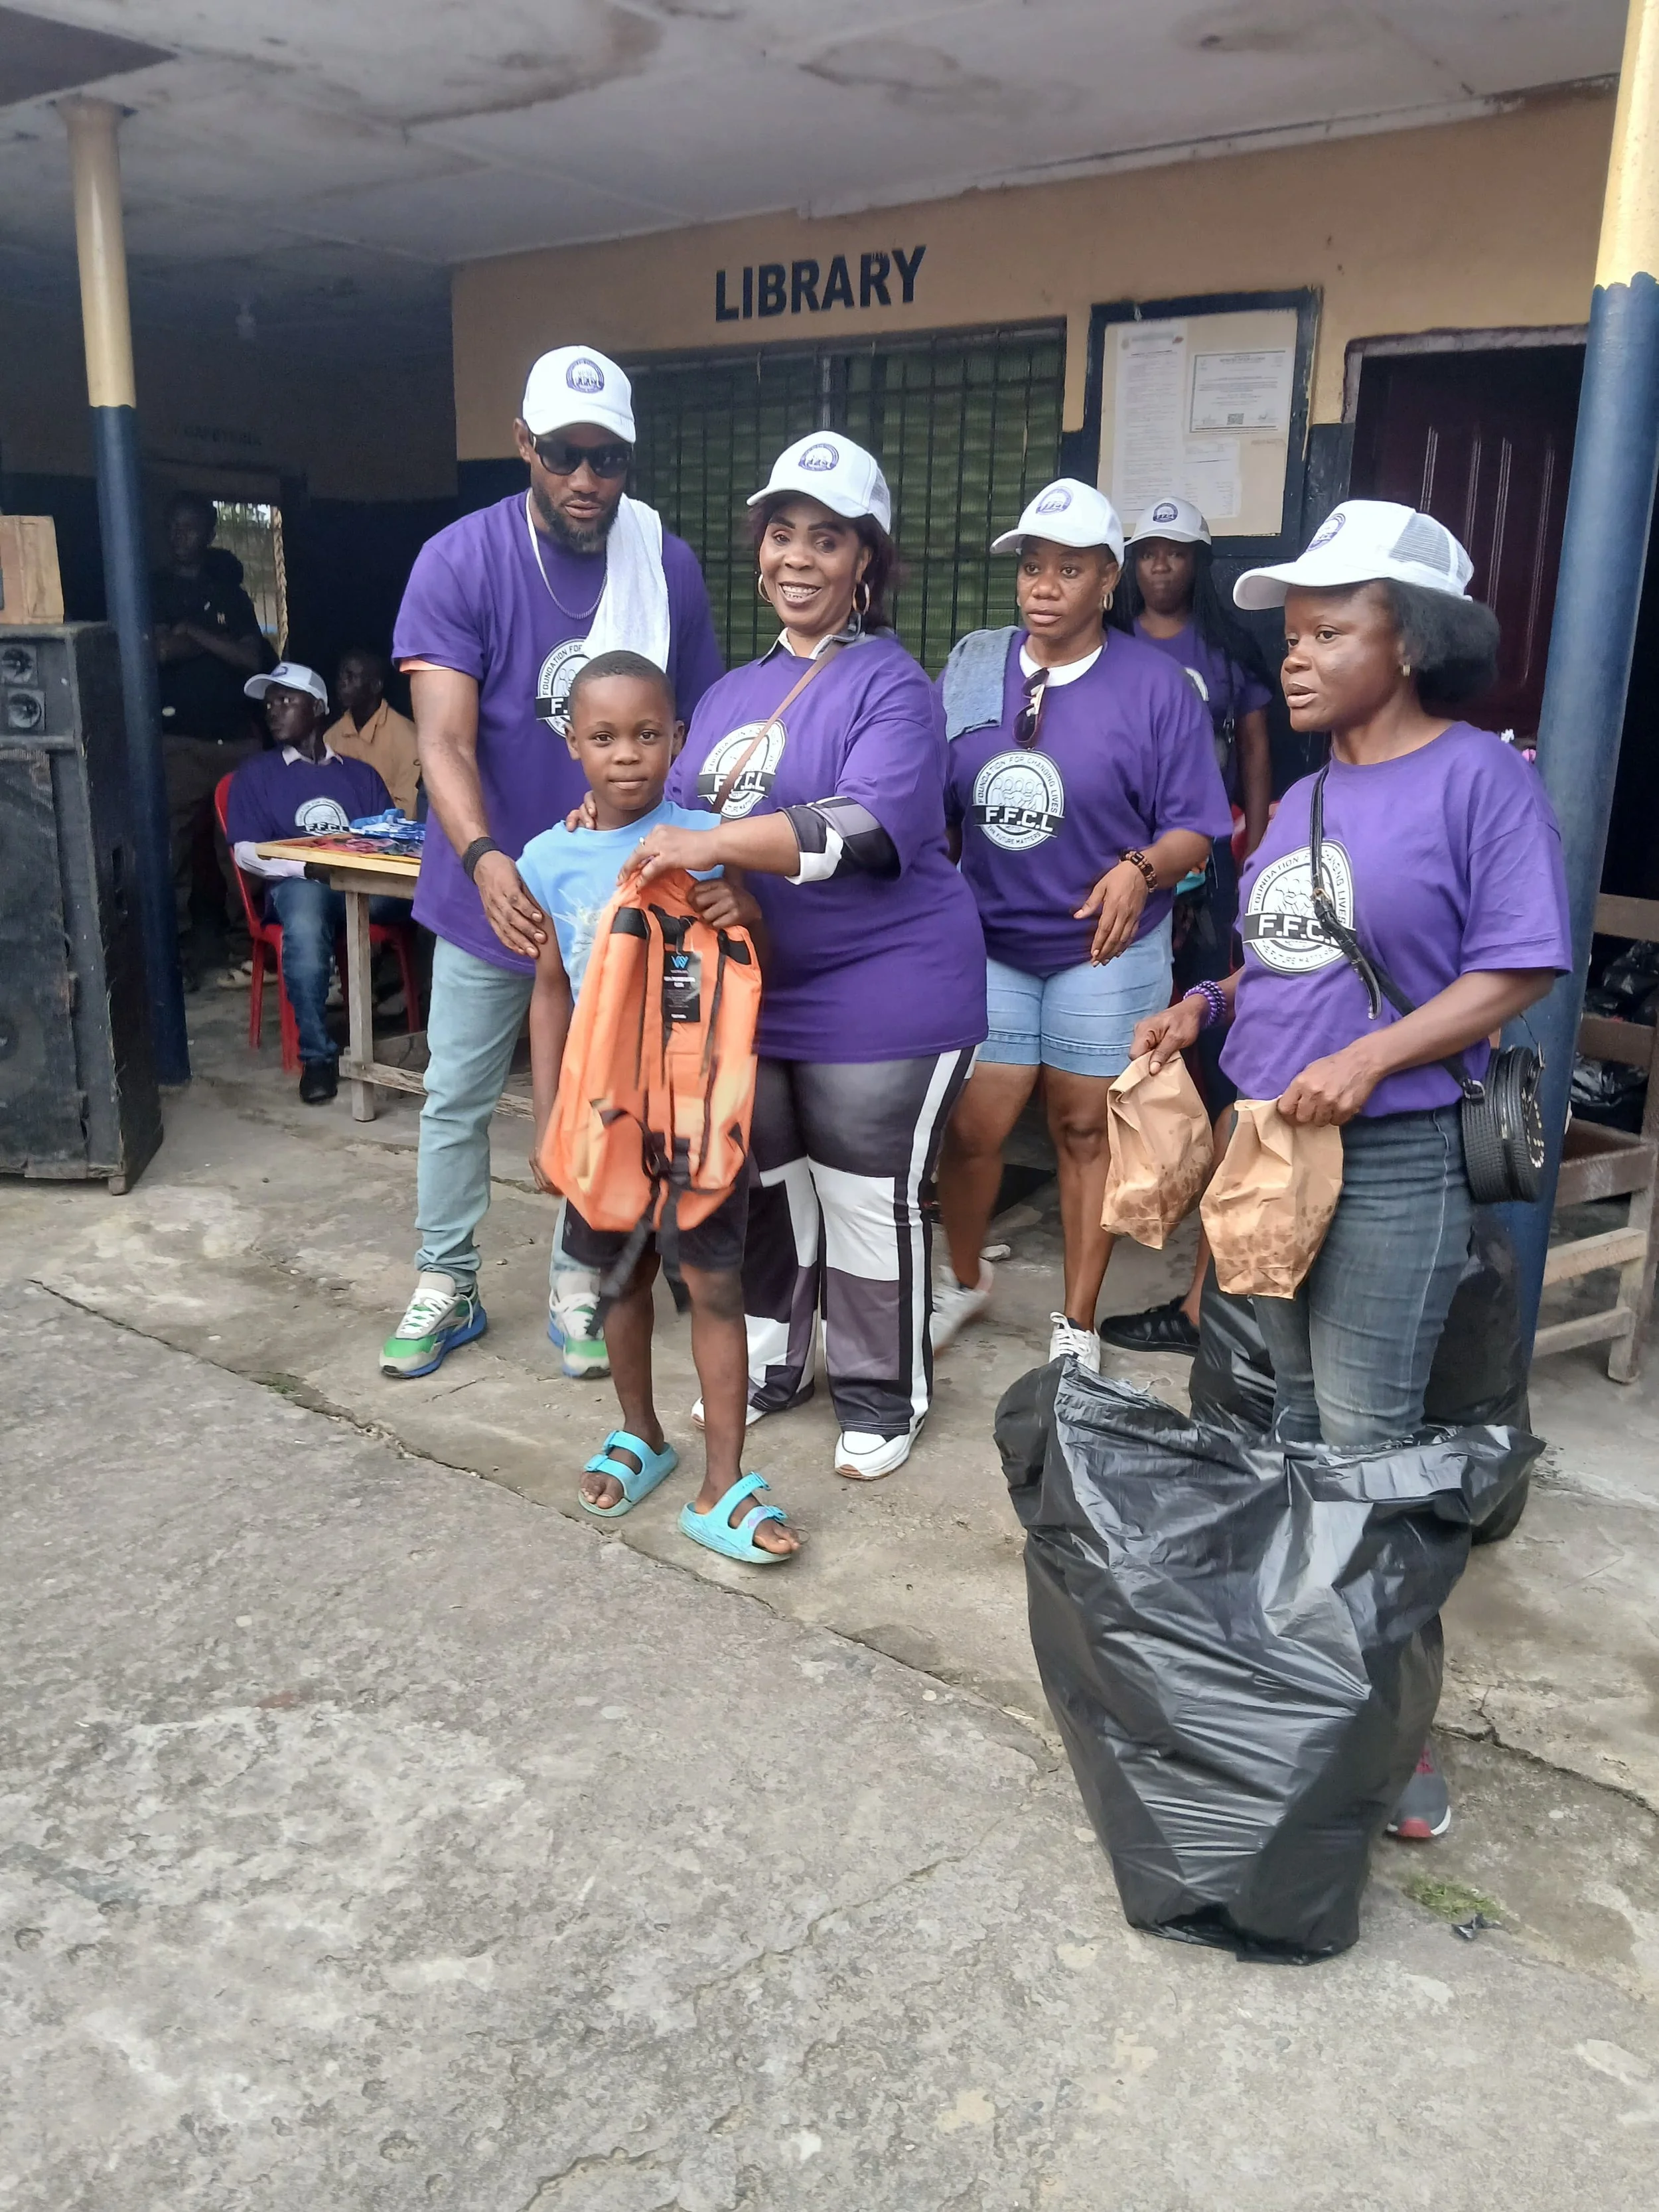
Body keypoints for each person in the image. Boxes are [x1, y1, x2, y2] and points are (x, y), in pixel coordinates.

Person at [1133, 498, 1571, 1840]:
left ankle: (1390, 1740)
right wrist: (1197, 1015)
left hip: (1383, 1162)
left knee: (1368, 1452)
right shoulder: (1307, 797)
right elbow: (1272, 960)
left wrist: (1376, 1058)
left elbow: (1514, 969)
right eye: (1291, 633)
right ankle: (1298, 1698)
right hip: (1269, 1152)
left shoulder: (1478, 781)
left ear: (1415, 640)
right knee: (1286, 1430)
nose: (1296, 656)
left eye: (1332, 629)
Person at [618, 432, 987, 1482]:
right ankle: (776, 1361)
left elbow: (869, 828)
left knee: (866, 1193)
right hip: (756, 995)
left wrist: (719, 843)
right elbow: (678, 810)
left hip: (888, 992)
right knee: (768, 1183)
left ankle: (880, 1391)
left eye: (827, 539)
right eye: (782, 533)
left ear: (865, 558)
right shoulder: (733, 691)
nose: (798, 557)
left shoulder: (895, 685)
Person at [380, 345, 723, 1384]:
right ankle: (448, 1278)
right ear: (523, 443)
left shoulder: (665, 562)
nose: (587, 481)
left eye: (609, 458)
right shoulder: (461, 559)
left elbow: (695, 727)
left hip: (625, 894)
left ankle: (582, 1279)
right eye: (566, 454)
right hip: (497, 890)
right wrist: (487, 858)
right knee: (461, 1093)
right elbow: (441, 739)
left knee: (612, 1094)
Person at [928, 479, 1232, 1372]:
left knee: (1083, 1130)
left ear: (1109, 579)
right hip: (989, 940)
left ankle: (1078, 1322)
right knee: (974, 1127)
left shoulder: (1156, 687)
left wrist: (1141, 871)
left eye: (1069, 568)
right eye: (1031, 566)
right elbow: (933, 798)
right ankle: (964, 1281)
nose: (1044, 586)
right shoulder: (977, 666)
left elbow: (1195, 826)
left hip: (1103, 949)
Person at [521, 650, 798, 1562]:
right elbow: (552, 988)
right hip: (605, 1123)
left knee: (717, 1286)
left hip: (697, 1117)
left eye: (647, 734)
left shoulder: (709, 835)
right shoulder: (549, 857)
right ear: (574, 745)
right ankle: (641, 1431)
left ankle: (725, 1481)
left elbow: (755, 957)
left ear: (678, 739)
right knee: (618, 1281)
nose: (628, 755)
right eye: (604, 737)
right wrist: (548, 1114)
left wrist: (741, 912)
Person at [1101, 494, 1279, 1355]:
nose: (1161, 566)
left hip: (1212, 845)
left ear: (1199, 563)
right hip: (1129, 850)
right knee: (1160, 1002)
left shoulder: (1226, 646)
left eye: (1177, 553)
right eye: (1148, 553)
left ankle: (1207, 1155)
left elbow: (1251, 744)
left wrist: (1253, 836)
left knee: (1213, 1003)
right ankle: (1157, 1168)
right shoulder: (1117, 644)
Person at [224, 662, 401, 1104]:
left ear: (318, 708)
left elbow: (388, 837)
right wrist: (305, 869)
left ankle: (437, 1035)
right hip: (300, 884)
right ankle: (318, 1056)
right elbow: (245, 852)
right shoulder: (256, 774)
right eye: (270, 703)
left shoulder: (360, 776)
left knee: (436, 901)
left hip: (363, 887)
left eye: (287, 701)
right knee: (303, 919)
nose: (274, 710)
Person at [152, 490, 273, 989]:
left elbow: (252, 661)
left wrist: (196, 635)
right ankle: (175, 958)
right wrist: (213, 643)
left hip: (235, 740)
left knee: (244, 850)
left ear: (209, 533)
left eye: (191, 527)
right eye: (175, 526)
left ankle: (254, 950)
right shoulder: (154, 587)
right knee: (170, 852)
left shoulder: (230, 594)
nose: (182, 536)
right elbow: (158, 651)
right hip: (178, 740)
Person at [325, 649, 421, 819]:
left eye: (351, 676)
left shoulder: (407, 737)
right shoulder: (330, 738)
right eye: (341, 676)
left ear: (376, 685)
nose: (342, 683)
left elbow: (407, 811)